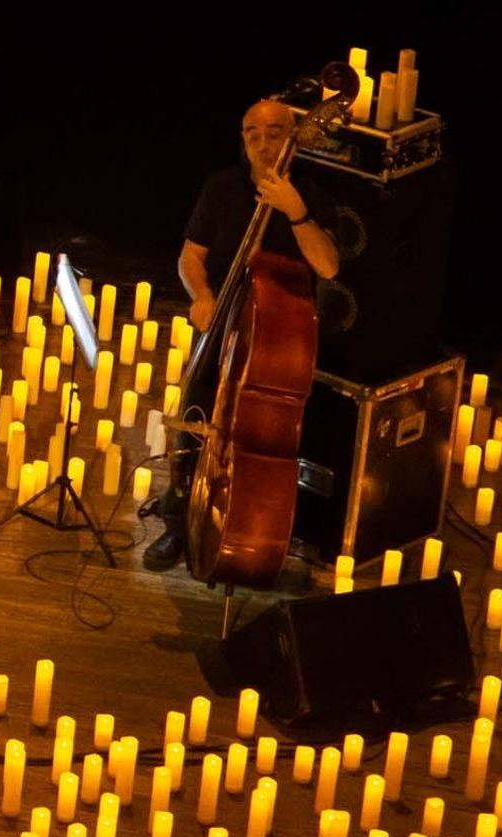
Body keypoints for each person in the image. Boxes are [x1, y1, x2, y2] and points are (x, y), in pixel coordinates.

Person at [144, 99, 340, 572]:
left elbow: (328, 265)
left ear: (294, 135)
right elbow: (190, 257)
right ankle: (179, 518)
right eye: (252, 132)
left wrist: (296, 212)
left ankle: (247, 523)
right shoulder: (223, 188)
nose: (261, 141)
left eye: (274, 132)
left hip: (270, 346)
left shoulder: (312, 194)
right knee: (194, 418)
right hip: (222, 330)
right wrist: (202, 296)